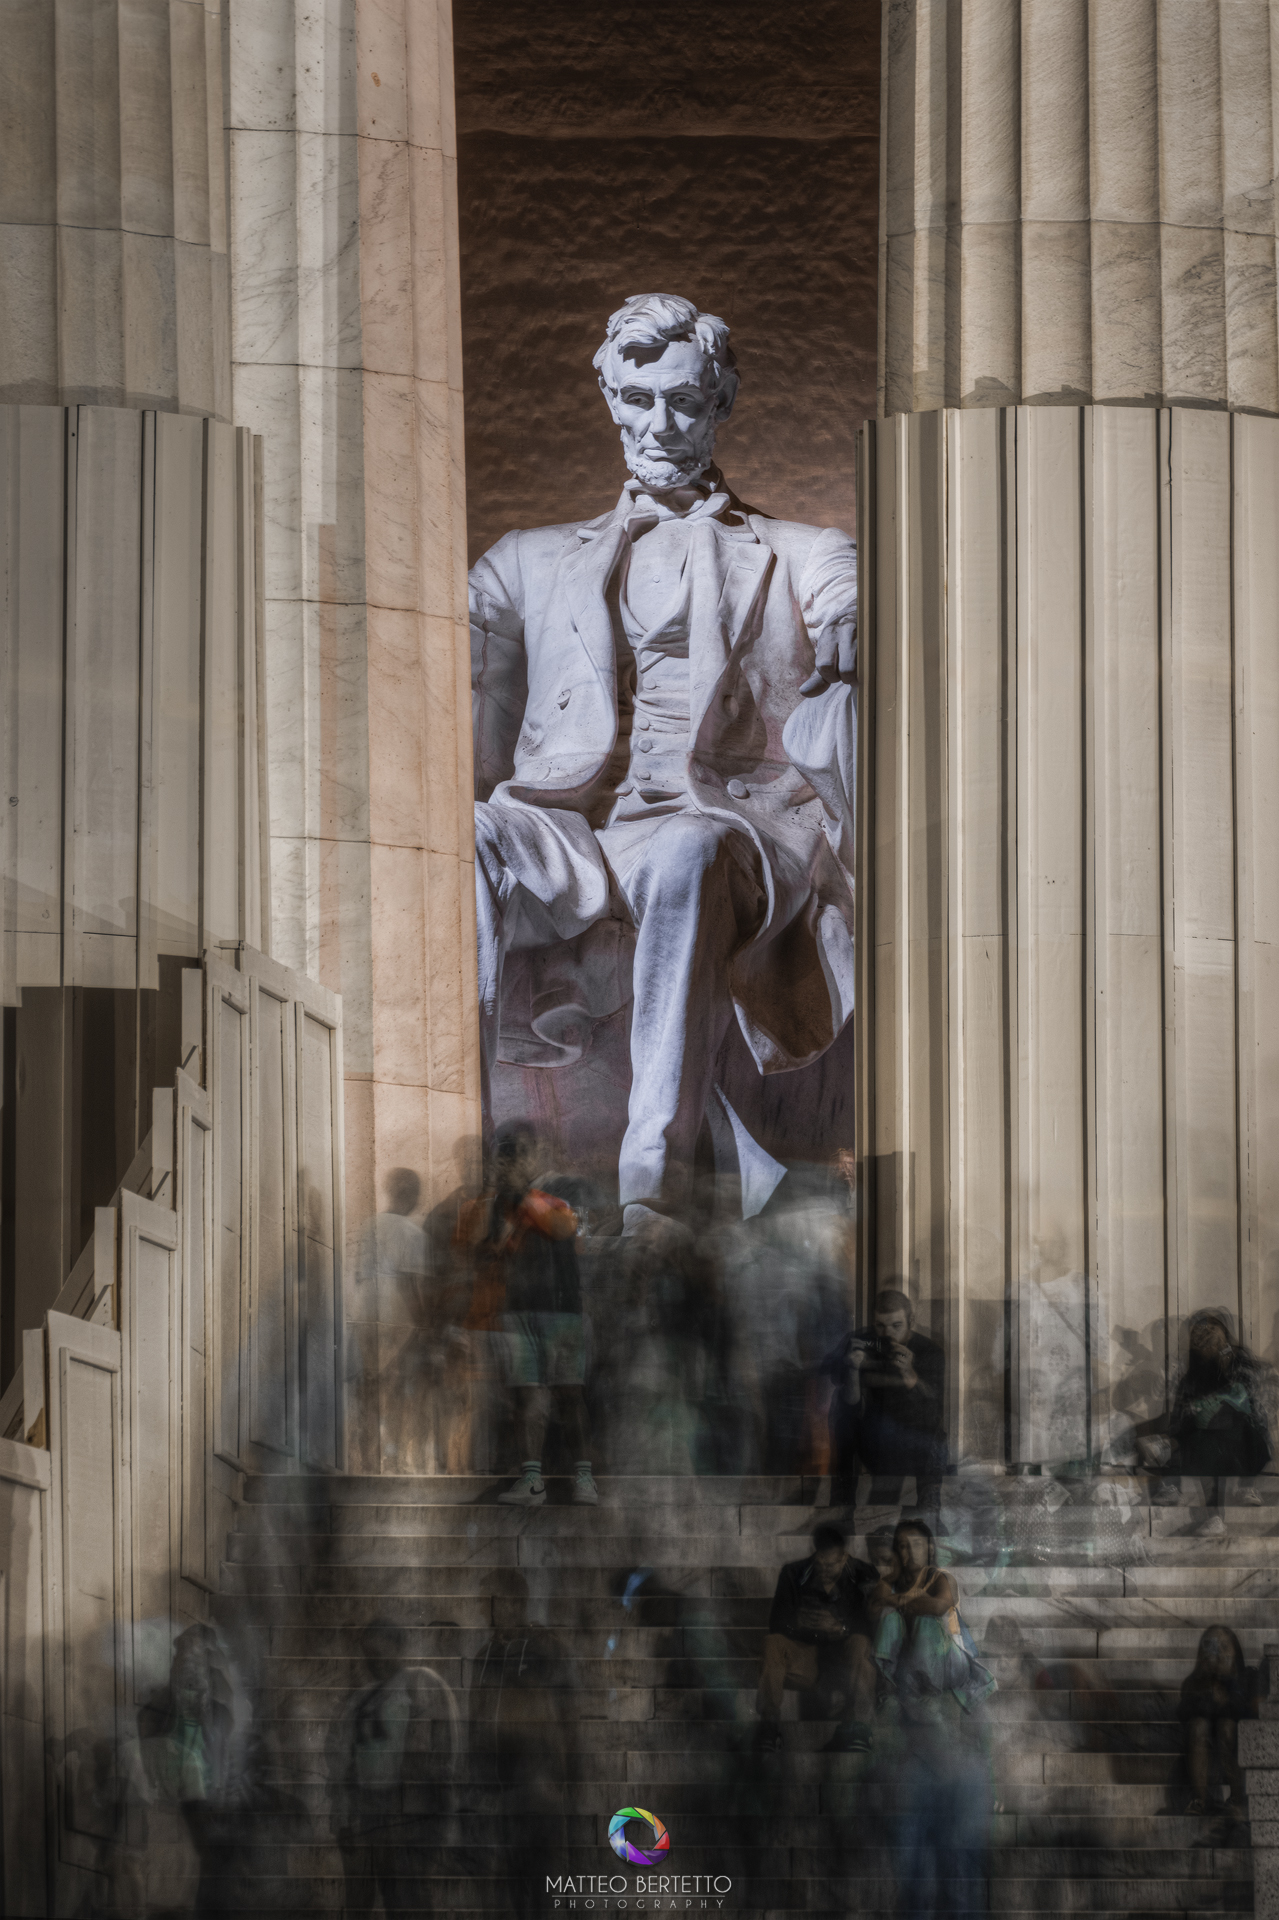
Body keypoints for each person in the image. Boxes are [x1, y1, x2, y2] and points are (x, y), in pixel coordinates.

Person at [469, 292, 858, 1233]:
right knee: (462, 838)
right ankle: (473, 1142)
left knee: (686, 852)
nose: (661, 424)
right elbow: (456, 707)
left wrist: (847, 621)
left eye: (685, 402)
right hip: (570, 823)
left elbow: (843, 603)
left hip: (722, 823)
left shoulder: (801, 552)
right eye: (639, 400)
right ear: (612, 400)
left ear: (720, 404)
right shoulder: (527, 561)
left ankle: (656, 1179)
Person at [454, 1120, 598, 1506]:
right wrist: (499, 1201)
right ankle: (533, 1480)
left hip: (562, 1311)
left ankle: (583, 1478)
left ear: (535, 1155)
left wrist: (522, 1200)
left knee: (569, 1395)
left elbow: (565, 1230)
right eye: (506, 1154)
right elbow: (478, 1249)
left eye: (519, 1152)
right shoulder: (495, 1203)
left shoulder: (557, 1193)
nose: (512, 1161)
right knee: (528, 1397)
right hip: (520, 1310)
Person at [1138, 1311, 1273, 1532]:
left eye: (1212, 1329)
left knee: (1213, 1432)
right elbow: (1179, 1408)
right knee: (1201, 1436)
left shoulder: (1236, 1359)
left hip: (1243, 1437)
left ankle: (1242, 1488)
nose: (1206, 1334)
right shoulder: (1191, 1371)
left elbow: (1245, 1392)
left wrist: (1224, 1359)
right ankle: (1198, 1501)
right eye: (1200, 1332)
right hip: (1208, 1438)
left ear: (1224, 1335)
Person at [821, 1288, 947, 1522]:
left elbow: (935, 1408)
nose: (887, 1334)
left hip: (912, 1442)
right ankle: (842, 1496)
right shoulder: (859, 1342)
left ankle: (930, 1502)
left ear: (911, 1321)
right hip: (873, 1441)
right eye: (880, 1326)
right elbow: (847, 1404)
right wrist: (852, 1370)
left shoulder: (929, 1351)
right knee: (842, 1416)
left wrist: (909, 1373)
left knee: (938, 1433)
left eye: (896, 1326)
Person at [755, 1522, 878, 1755]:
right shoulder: (794, 1572)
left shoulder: (864, 1573)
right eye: (820, 1562)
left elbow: (873, 1626)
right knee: (772, 1644)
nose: (824, 1569)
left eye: (831, 1564)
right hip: (807, 1660)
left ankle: (857, 1726)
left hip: (846, 1664)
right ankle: (769, 1724)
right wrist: (802, 1625)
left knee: (860, 1643)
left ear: (844, 1557)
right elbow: (777, 1624)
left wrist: (840, 1628)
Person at [1180, 1625, 1257, 1819]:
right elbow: (1184, 1713)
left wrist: (1228, 1691)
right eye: (1212, 1647)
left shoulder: (1247, 1677)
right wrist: (1207, 1684)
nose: (1219, 1653)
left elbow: (1248, 1713)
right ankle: (1200, 1799)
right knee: (1198, 1726)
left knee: (1227, 1727)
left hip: (1234, 1739)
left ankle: (1237, 1798)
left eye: (1224, 1646)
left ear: (1235, 1651)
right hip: (1204, 1738)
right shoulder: (1194, 1681)